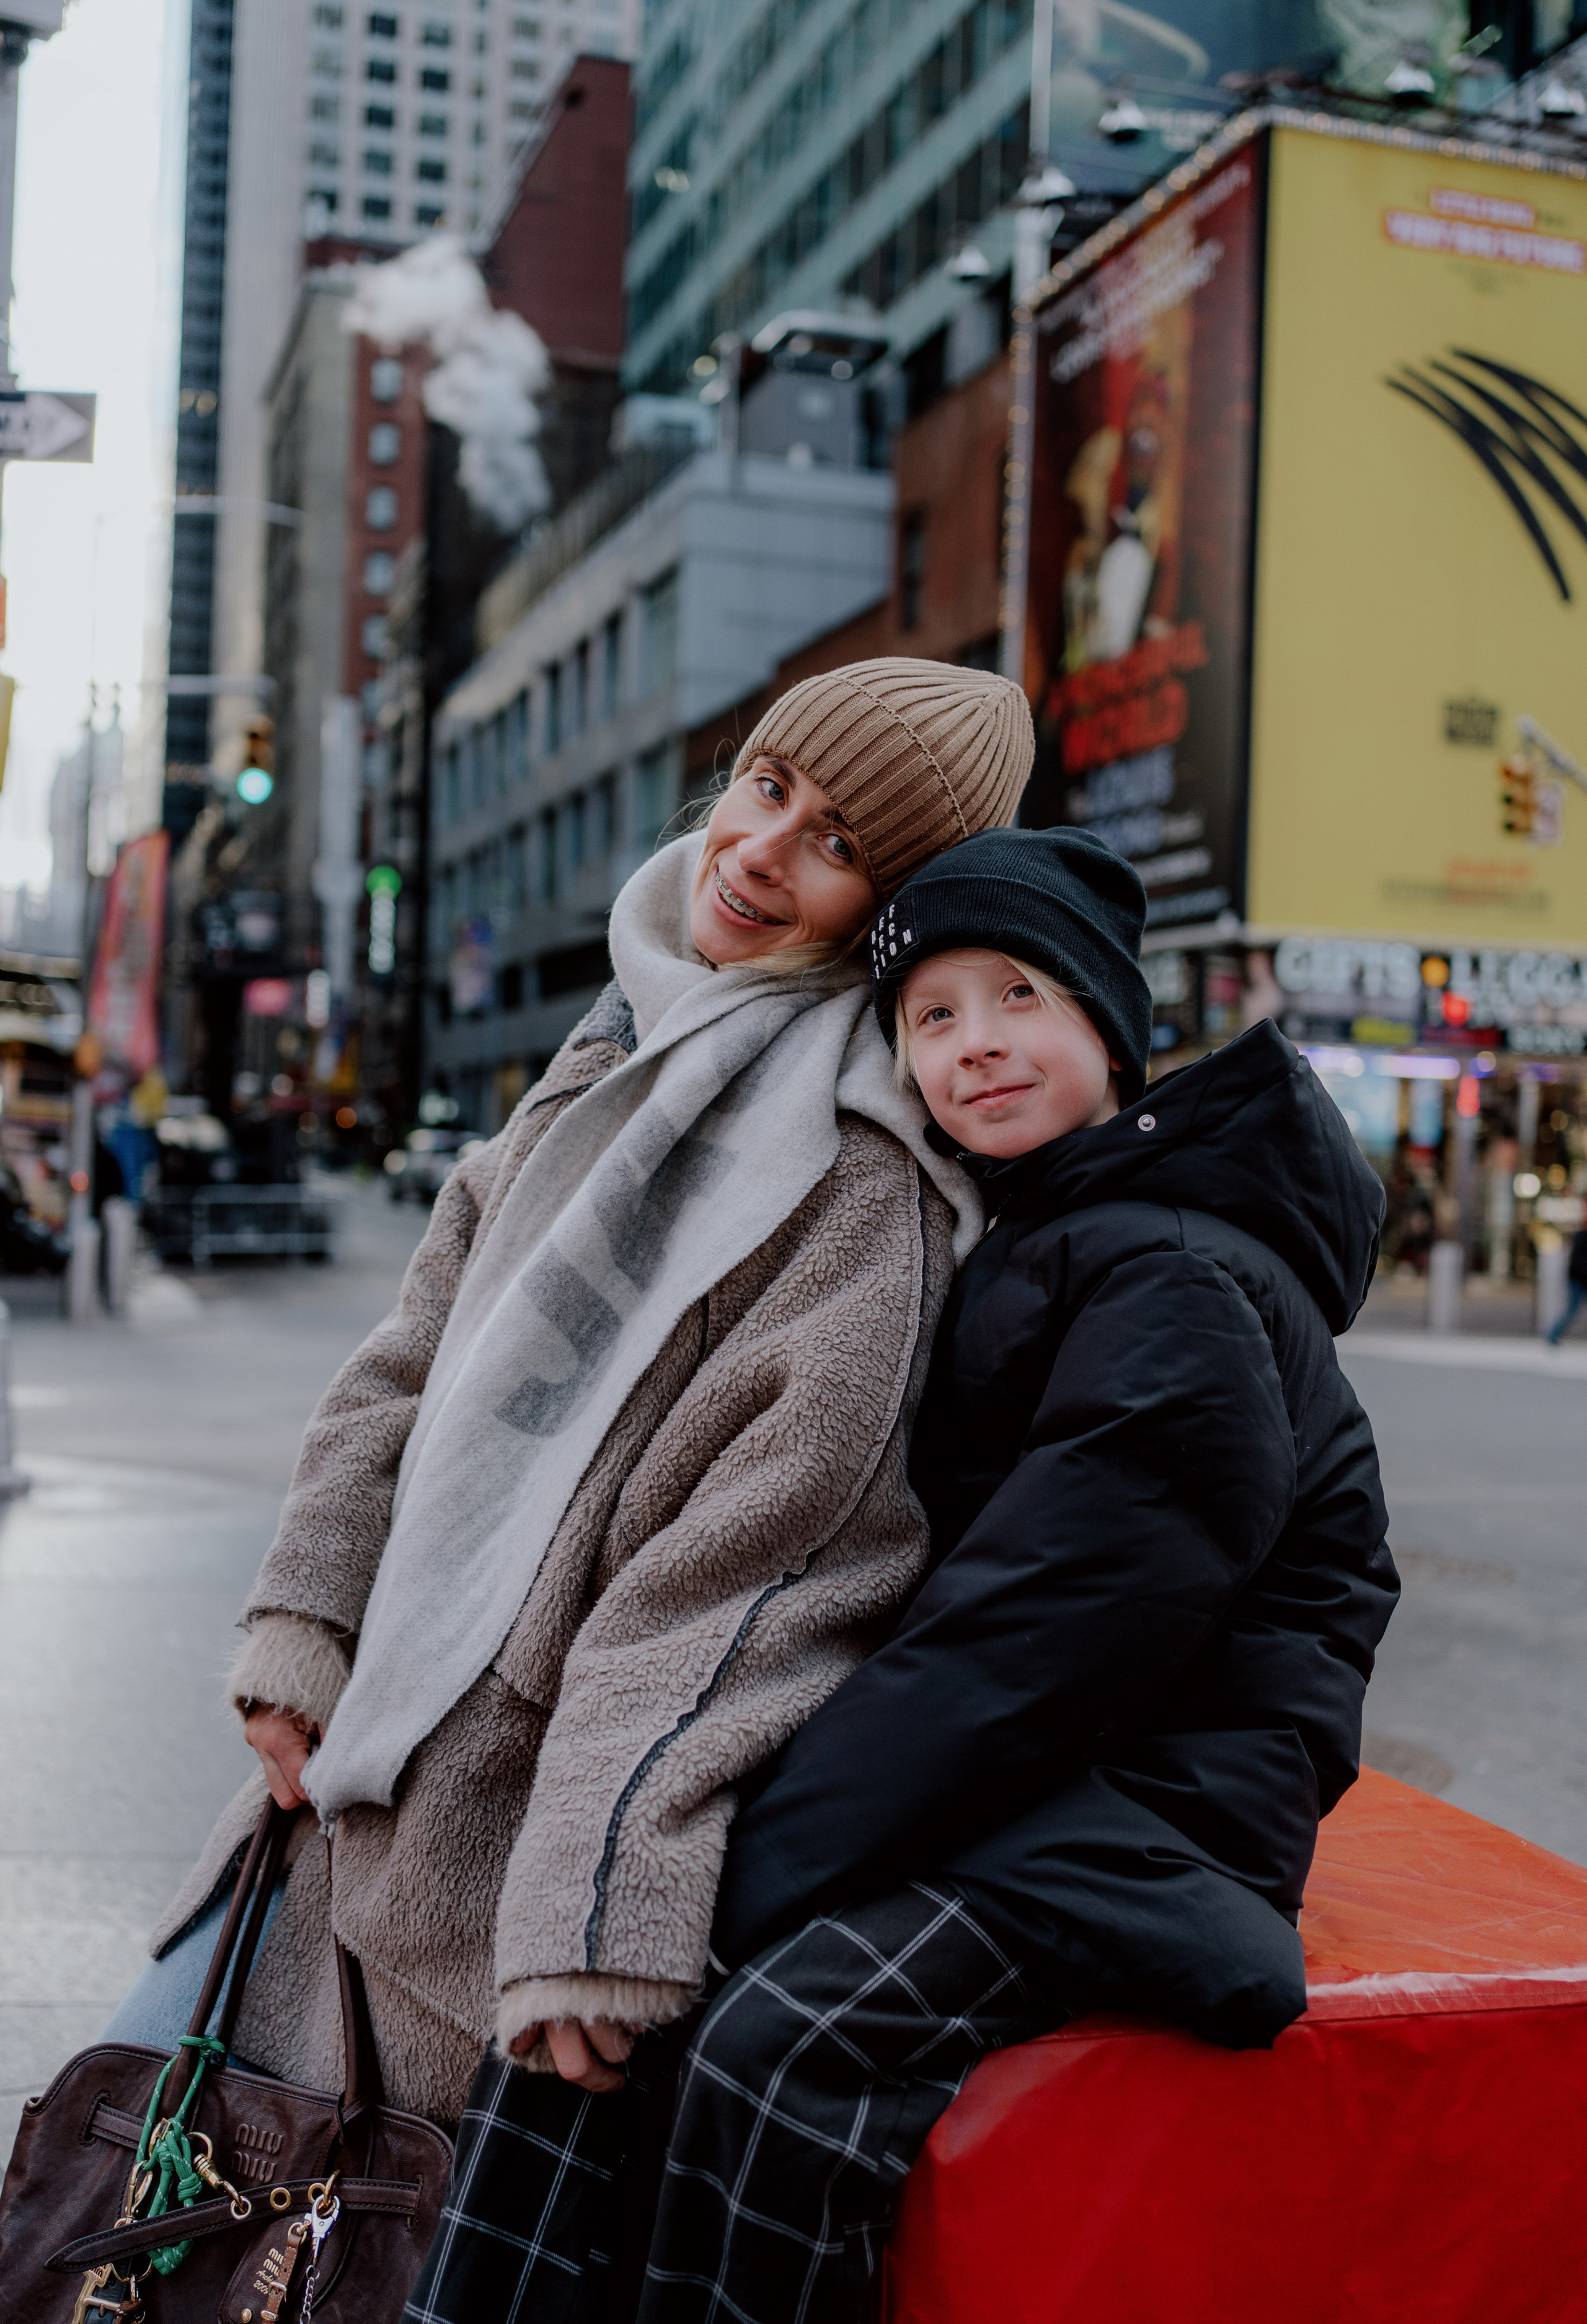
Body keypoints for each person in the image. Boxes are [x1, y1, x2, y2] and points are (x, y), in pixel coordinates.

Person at [104, 659, 1033, 2153]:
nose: (759, 849)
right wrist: (303, 1622)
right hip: (315, 1797)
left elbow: (769, 1566)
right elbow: (411, 1351)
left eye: (841, 844)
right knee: (111, 2195)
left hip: (488, 1875)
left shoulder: (866, 1179)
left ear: (894, 906)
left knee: (311, 2248)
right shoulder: (617, 1041)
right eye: (769, 785)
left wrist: (598, 1901)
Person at [611, 827, 1398, 2324]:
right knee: (621, 1970)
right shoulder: (1047, 1234)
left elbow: (1044, 1631)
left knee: (762, 2036)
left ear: (1107, 1025)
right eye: (932, 1014)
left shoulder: (1167, 1268)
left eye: (1018, 995)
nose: (974, 1045)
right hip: (1058, 1784)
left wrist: (759, 1864)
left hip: (1148, 1815)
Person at [1545, 1224, 1587, 1343]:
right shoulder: (1582, 1237)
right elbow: (1578, 1262)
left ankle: (1553, 1334)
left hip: (1580, 1279)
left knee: (1572, 1310)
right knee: (1572, 1310)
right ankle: (1553, 1334)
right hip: (1579, 1280)